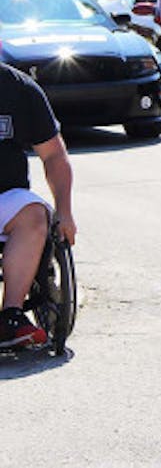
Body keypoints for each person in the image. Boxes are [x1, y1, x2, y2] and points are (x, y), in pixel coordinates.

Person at [0, 63, 76, 349]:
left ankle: (11, 316)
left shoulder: (19, 89)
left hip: (5, 196)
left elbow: (54, 155)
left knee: (34, 213)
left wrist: (65, 212)